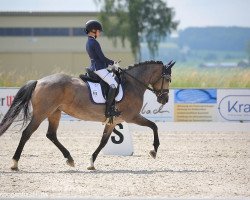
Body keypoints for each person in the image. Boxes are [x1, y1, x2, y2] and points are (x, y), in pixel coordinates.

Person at [84, 20, 120, 118]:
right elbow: (102, 58)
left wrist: (109, 65)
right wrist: (113, 63)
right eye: (99, 31)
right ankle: (109, 110)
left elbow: (98, 58)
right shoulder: (94, 43)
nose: (99, 33)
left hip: (95, 67)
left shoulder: (88, 42)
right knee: (114, 84)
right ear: (93, 30)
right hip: (99, 68)